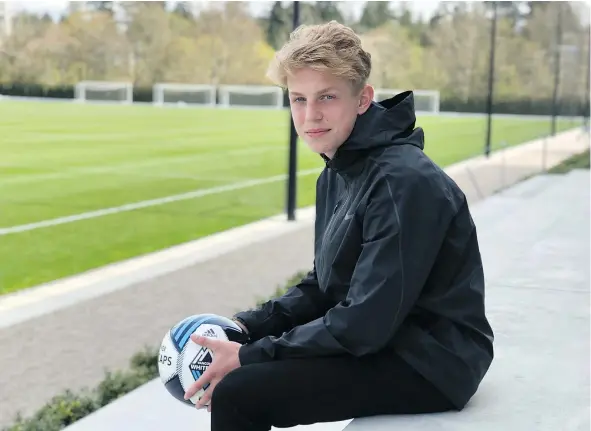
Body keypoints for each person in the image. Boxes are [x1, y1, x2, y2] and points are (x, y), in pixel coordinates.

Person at [184, 20, 494, 430]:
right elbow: (324, 286)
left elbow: (363, 323)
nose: (310, 116)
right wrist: (247, 326)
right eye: (298, 99)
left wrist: (249, 356)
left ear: (363, 98)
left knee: (240, 392)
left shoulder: (403, 183)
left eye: (326, 97)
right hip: (392, 338)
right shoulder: (337, 173)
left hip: (432, 360)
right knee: (247, 370)